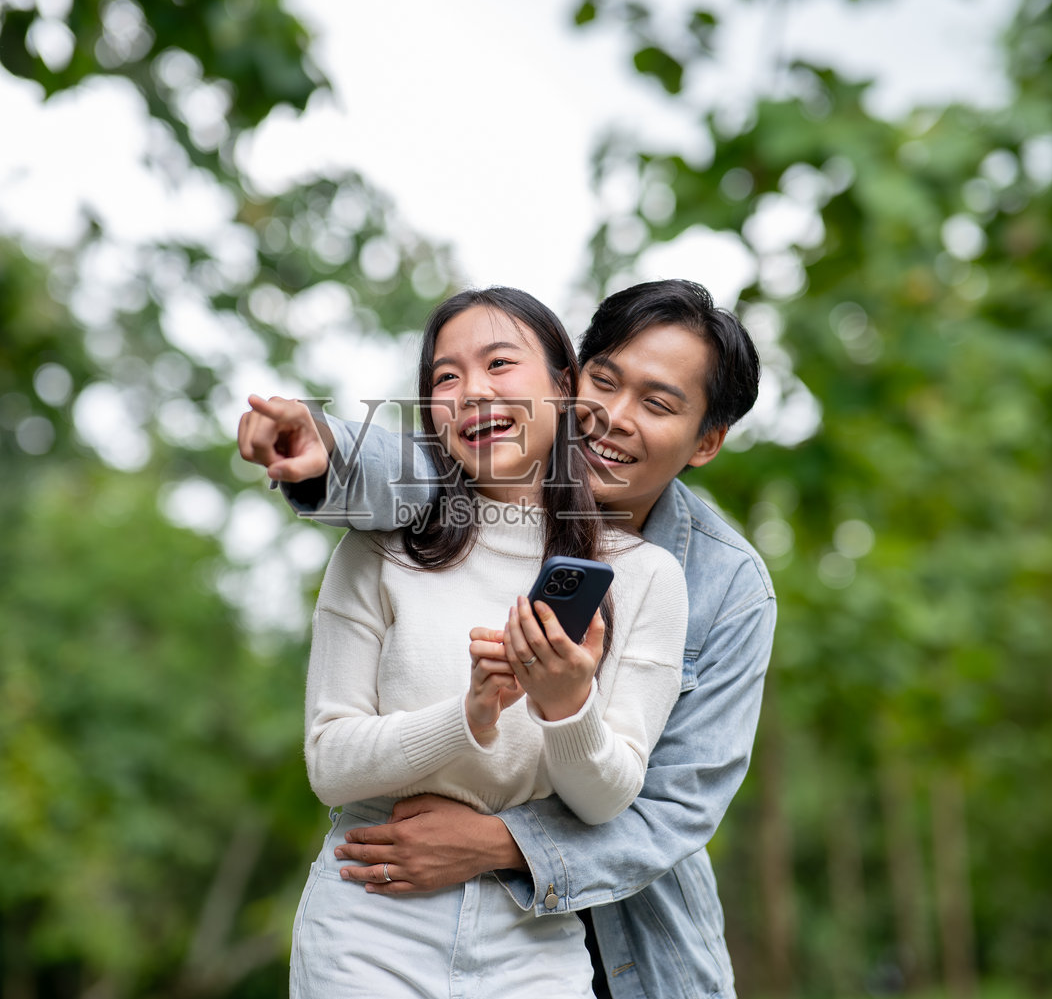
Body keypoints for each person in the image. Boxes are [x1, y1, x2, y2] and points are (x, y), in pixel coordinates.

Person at [238, 279, 776, 999]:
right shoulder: (461, 484)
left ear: (707, 440)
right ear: (567, 379)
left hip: (627, 942)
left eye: (656, 403)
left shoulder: (720, 583)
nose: (610, 418)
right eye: (603, 381)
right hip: (391, 923)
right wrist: (321, 442)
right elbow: (395, 465)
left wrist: (496, 843)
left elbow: (676, 805)